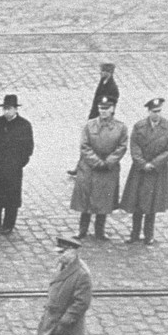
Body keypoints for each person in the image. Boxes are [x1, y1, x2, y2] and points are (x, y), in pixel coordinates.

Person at [70, 96, 127, 241]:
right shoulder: (90, 125)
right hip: (90, 168)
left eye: (106, 109)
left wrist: (108, 162)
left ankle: (99, 231)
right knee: (86, 201)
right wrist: (96, 162)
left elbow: (122, 147)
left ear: (112, 109)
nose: (103, 111)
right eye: (101, 108)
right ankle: (82, 230)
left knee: (104, 201)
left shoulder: (120, 127)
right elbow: (84, 146)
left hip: (108, 169)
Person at [121, 97, 168, 245]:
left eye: (158, 111)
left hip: (157, 171)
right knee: (137, 203)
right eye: (153, 111)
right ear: (149, 111)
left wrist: (154, 163)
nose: (156, 114)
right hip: (140, 170)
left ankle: (149, 235)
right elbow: (134, 146)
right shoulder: (139, 126)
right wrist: (142, 163)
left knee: (152, 205)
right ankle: (134, 234)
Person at [0, 94, 33, 234]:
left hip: (13, 168)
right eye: (4, 109)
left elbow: (28, 148)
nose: (6, 112)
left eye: (9, 109)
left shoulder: (24, 125)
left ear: (16, 109)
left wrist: (18, 164)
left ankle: (8, 224)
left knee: (11, 197)